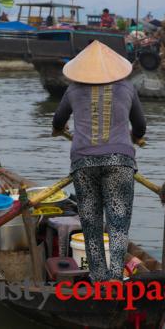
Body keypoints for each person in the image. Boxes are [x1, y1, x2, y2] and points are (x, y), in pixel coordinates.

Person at [52, 40, 147, 282]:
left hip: (84, 164)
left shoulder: (73, 89)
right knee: (118, 223)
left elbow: (58, 120)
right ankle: (115, 279)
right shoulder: (126, 87)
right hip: (120, 162)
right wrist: (136, 137)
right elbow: (140, 125)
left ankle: (99, 280)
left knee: (91, 223)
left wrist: (60, 128)